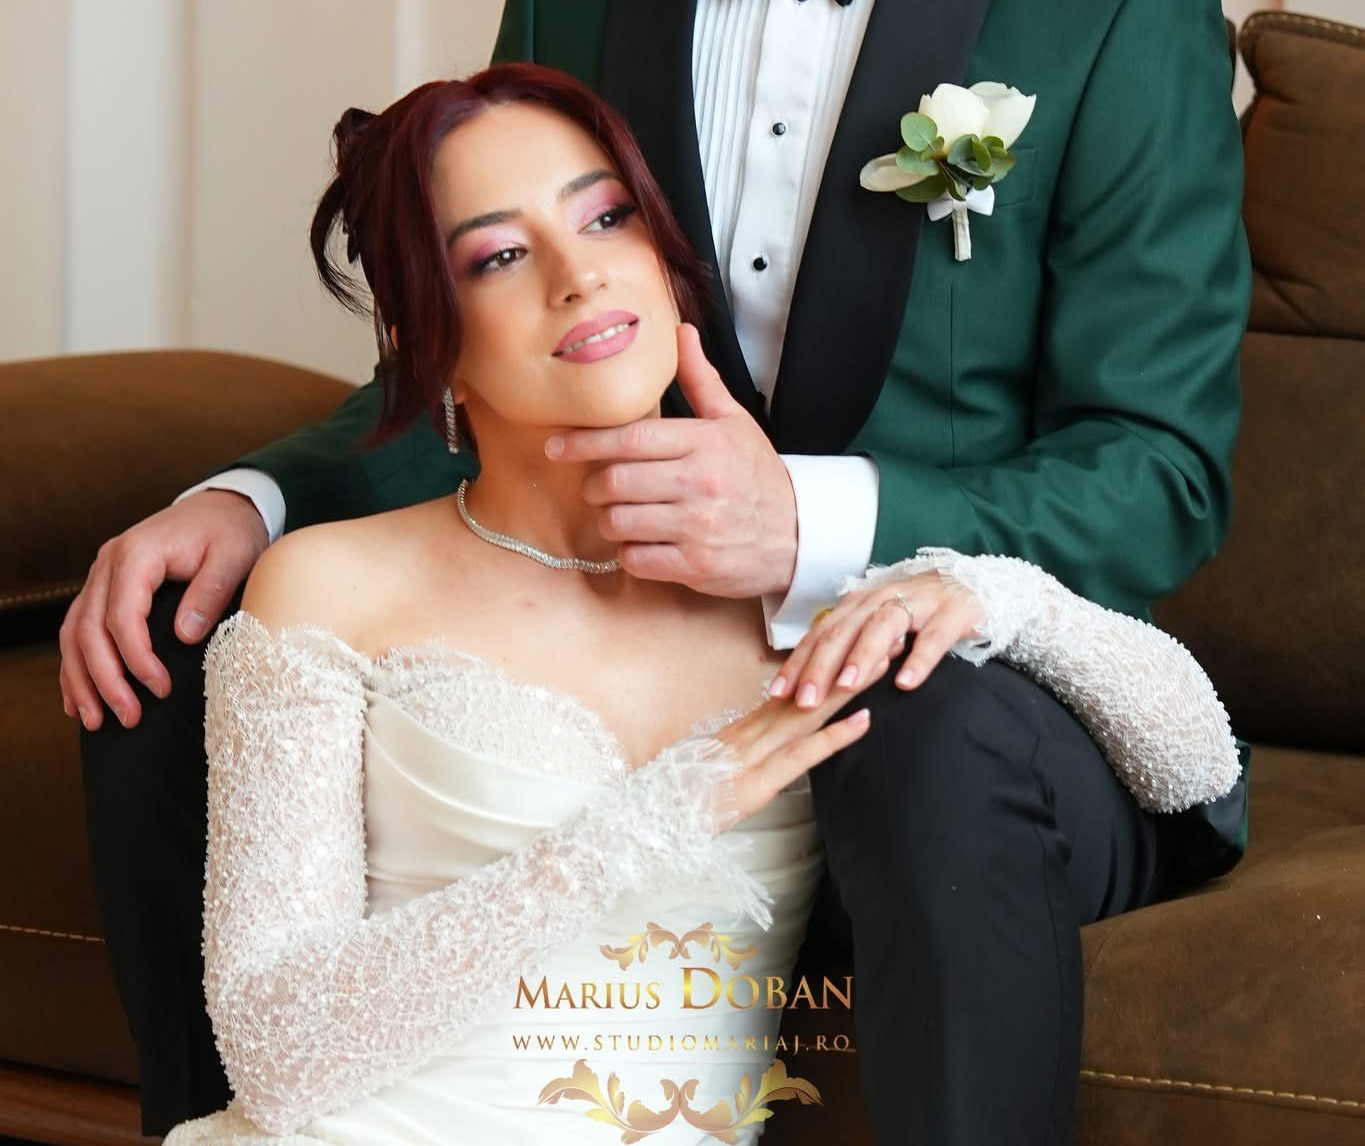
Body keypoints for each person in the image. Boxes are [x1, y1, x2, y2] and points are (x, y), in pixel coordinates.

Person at [63, 0, 1252, 1145]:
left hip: (959, 688)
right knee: (162, 636)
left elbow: (1159, 475)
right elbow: (489, 344)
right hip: (611, 638)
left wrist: (811, 525)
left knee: (918, 730)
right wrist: (252, 495)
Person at [161, 61, 1239, 1144]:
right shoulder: (330, 585)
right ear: (425, 342)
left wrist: (998, 594)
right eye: (499, 255)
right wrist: (646, 825)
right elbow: (273, 1047)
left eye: (606, 216)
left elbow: (1197, 762)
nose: (579, 274)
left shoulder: (799, 589)